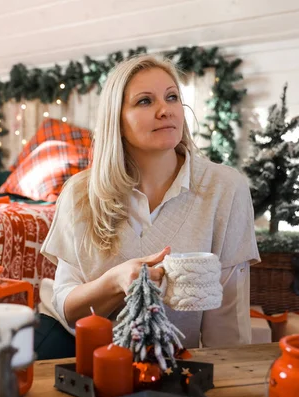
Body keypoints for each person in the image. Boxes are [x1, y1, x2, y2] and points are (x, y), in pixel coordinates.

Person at [34, 54, 260, 360]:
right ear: (118, 121)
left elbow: (227, 319)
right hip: (84, 358)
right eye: (144, 101)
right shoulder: (80, 194)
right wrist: (115, 281)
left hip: (171, 371)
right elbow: (68, 309)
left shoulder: (226, 189)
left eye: (172, 97)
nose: (165, 110)